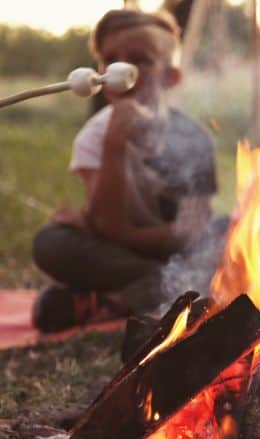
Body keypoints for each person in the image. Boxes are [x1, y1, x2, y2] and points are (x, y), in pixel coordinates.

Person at [31, 9, 218, 332]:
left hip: (173, 252)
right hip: (121, 255)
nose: (120, 68)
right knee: (49, 242)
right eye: (109, 59)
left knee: (227, 233)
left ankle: (110, 300)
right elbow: (109, 223)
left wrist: (115, 231)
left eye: (139, 59)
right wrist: (115, 143)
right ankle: (158, 290)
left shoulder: (194, 138)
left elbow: (190, 231)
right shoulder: (94, 137)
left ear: (170, 76)